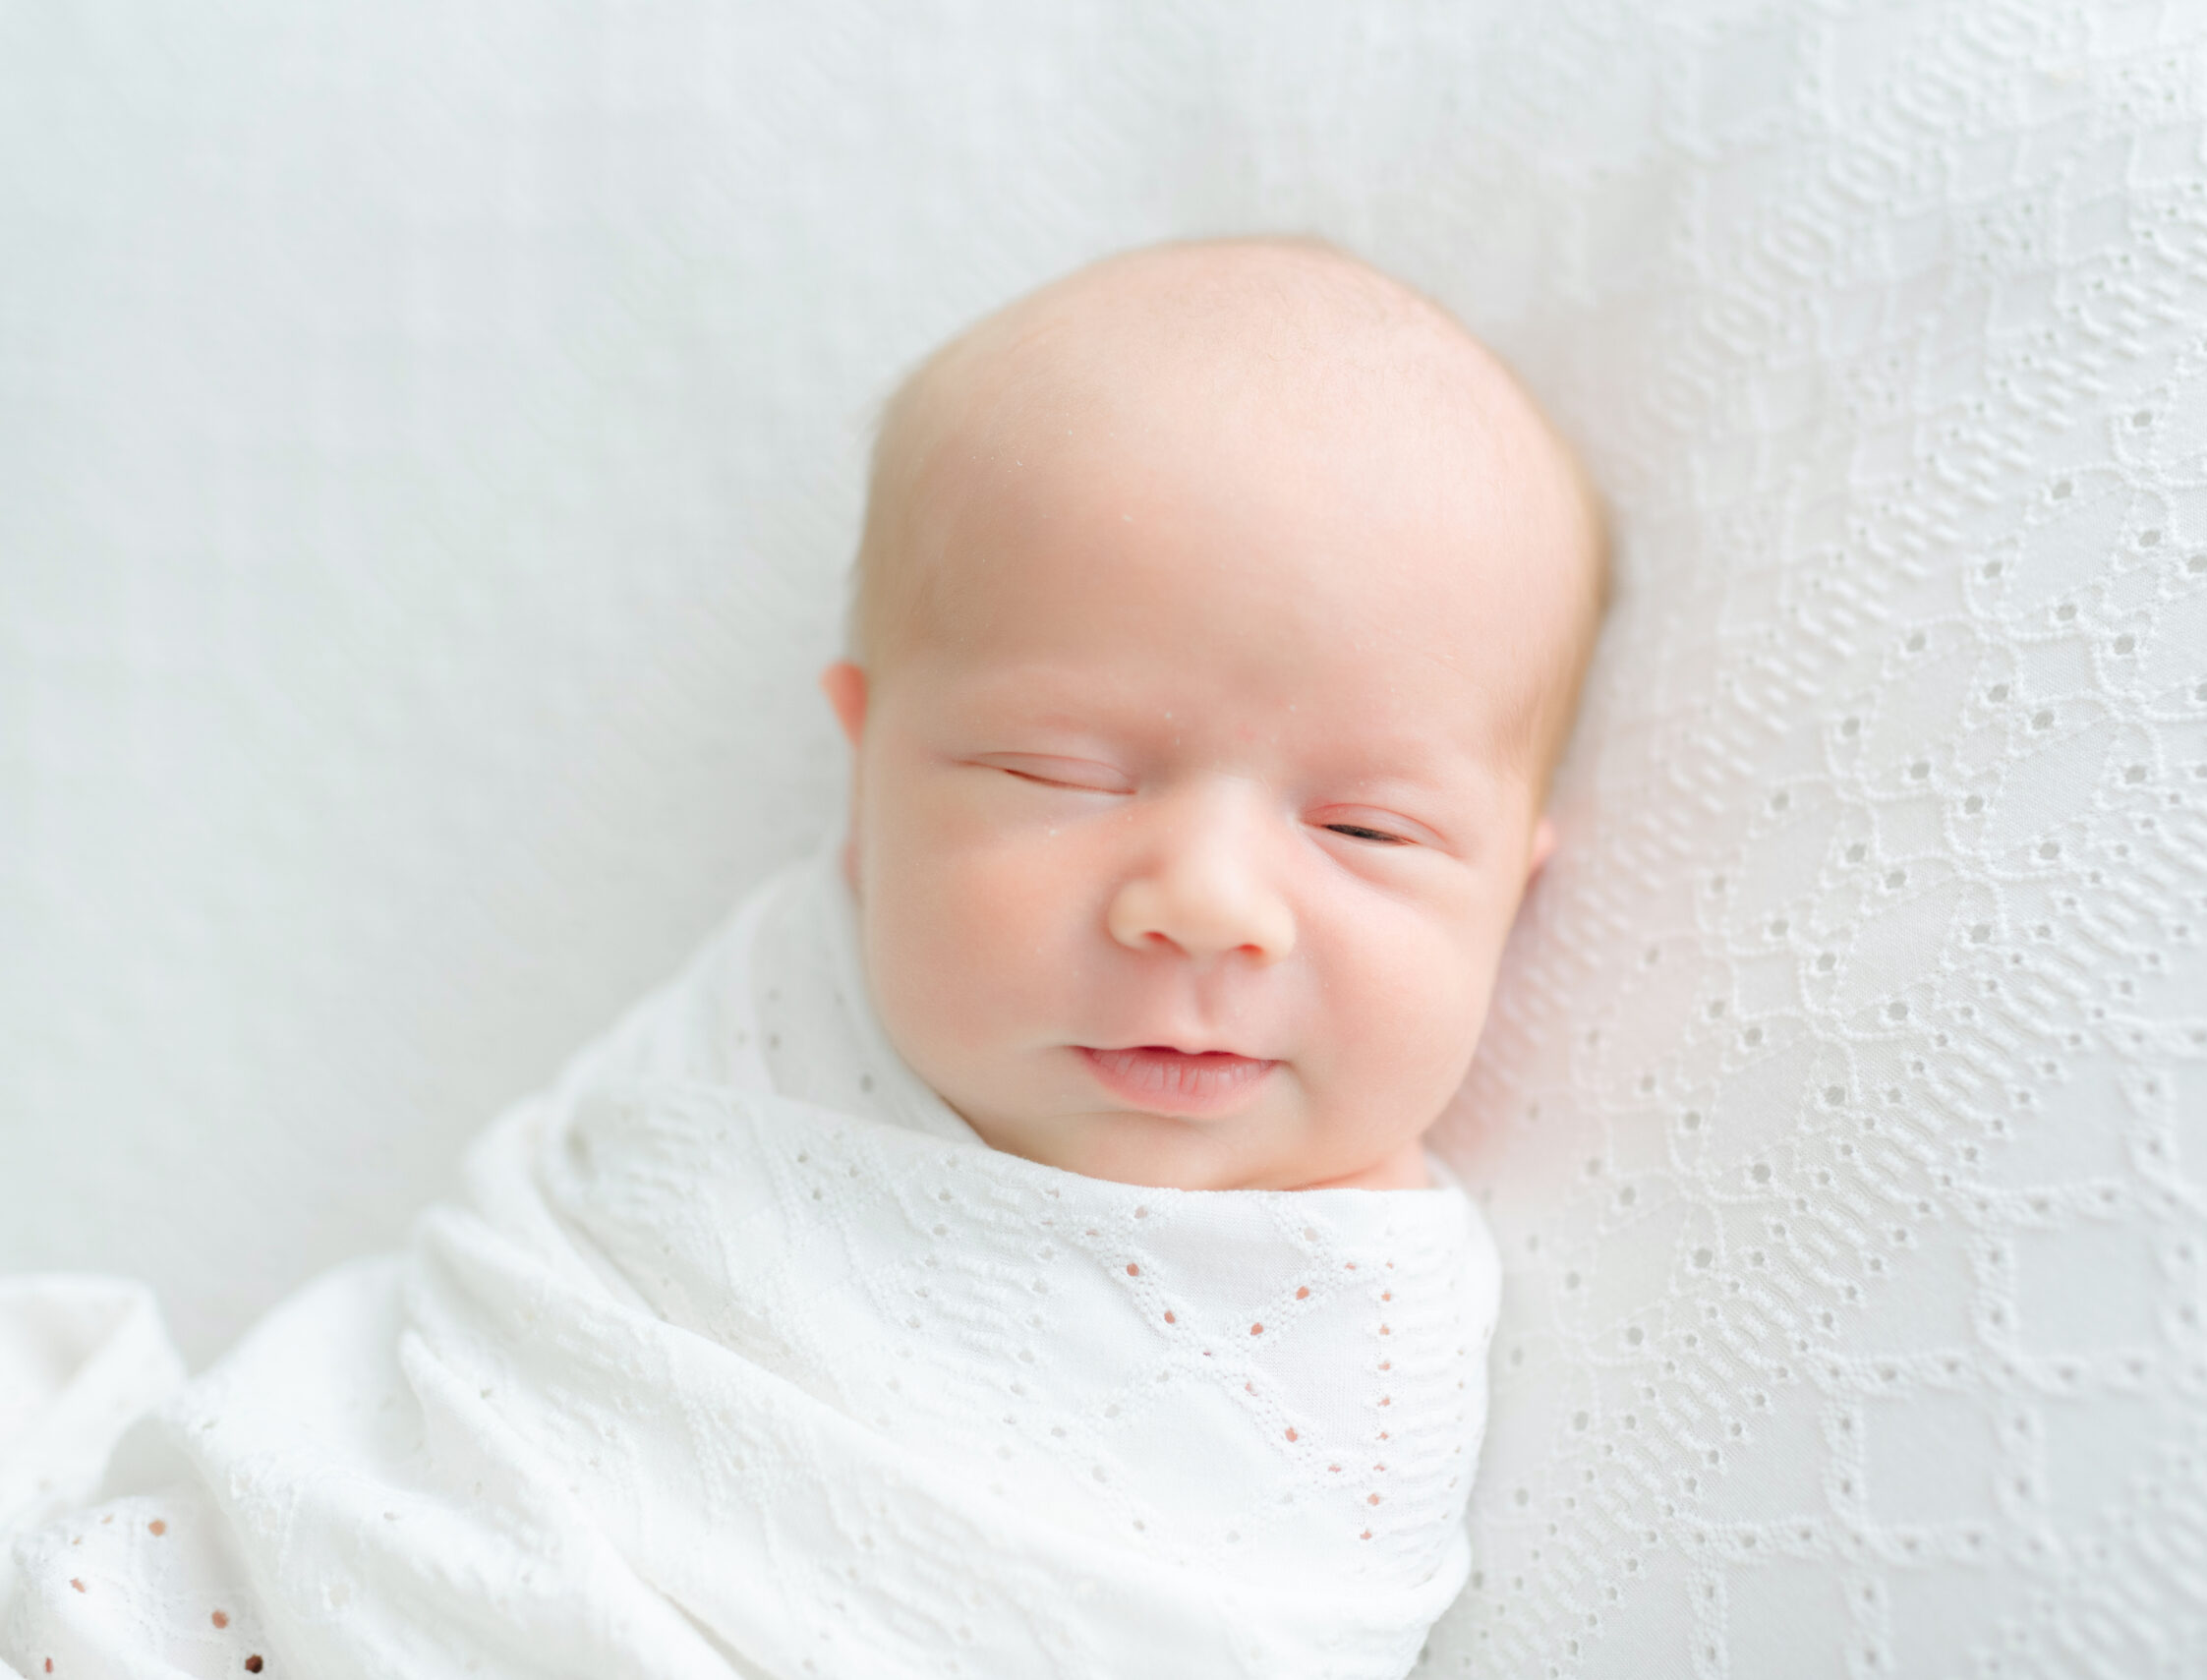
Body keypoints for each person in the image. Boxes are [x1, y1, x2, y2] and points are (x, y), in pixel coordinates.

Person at [0, 236, 1608, 1680]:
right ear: (868, 776)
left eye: (1367, 829)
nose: (1201, 902)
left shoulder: (1366, 1338)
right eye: (1060, 774)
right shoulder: (774, 1018)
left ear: (1514, 884)